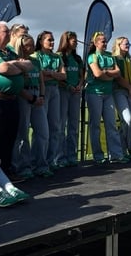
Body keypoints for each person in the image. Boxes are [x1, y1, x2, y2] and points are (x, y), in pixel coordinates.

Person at [0, 21, 33, 176]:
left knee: (9, 138)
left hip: (11, 100)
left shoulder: (9, 53)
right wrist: (17, 67)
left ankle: (5, 173)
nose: (9, 33)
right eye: (5, 31)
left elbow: (29, 65)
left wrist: (13, 64)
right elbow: (3, 68)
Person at [12, 34, 52, 178]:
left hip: (37, 95)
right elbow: (16, 83)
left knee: (43, 132)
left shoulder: (35, 61)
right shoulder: (16, 61)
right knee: (23, 133)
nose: (31, 48)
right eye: (27, 45)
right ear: (21, 46)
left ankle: (40, 164)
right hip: (24, 96)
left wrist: (41, 96)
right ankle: (24, 166)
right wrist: (31, 97)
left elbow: (41, 80)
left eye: (32, 44)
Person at [85, 32, 128, 163]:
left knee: (111, 124)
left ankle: (115, 154)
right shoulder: (92, 56)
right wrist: (108, 75)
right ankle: (98, 156)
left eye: (105, 41)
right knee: (96, 125)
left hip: (108, 93)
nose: (105, 43)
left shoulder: (110, 56)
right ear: (96, 43)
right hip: (94, 93)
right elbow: (97, 73)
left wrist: (106, 72)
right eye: (102, 41)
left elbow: (117, 72)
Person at [33, 31, 66, 170]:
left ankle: (51, 160)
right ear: (41, 41)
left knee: (55, 126)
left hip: (55, 91)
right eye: (49, 40)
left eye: (53, 40)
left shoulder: (57, 57)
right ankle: (38, 161)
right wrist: (54, 75)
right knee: (41, 128)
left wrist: (50, 73)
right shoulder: (36, 56)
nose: (52, 42)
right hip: (42, 91)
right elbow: (39, 77)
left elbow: (64, 76)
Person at [56, 31, 84, 167]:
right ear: (66, 41)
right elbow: (57, 76)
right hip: (62, 92)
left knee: (74, 124)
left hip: (76, 93)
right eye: (73, 39)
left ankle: (72, 155)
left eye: (76, 40)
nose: (75, 42)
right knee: (61, 124)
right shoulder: (59, 57)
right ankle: (60, 157)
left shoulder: (77, 59)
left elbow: (81, 75)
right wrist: (67, 86)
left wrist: (79, 85)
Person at [111, 36, 131, 160]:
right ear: (119, 45)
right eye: (125, 44)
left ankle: (128, 147)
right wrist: (129, 87)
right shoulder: (115, 59)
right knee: (126, 119)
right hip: (119, 90)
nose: (128, 46)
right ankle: (122, 148)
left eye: (129, 44)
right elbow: (118, 77)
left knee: (129, 121)